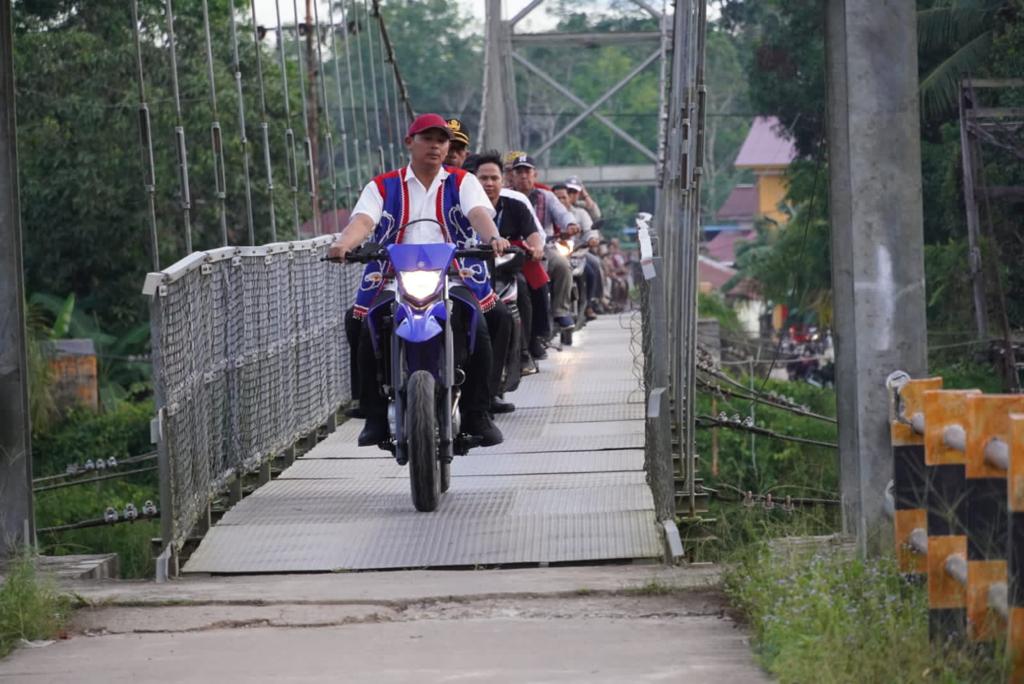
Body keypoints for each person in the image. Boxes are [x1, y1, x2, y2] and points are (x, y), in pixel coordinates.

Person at [327, 113, 510, 447]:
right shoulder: (383, 185)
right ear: (409, 142)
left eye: (442, 140)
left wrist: (494, 236)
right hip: (393, 277)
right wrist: (344, 244)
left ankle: (477, 413)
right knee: (361, 323)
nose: (436, 146)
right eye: (427, 138)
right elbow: (365, 220)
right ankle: (374, 414)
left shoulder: (462, 182)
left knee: (485, 322)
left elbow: (478, 214)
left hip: (454, 274)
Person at [470, 150, 547, 409]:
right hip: (466, 273)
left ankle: (526, 347)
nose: (489, 184)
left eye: (494, 178)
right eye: (483, 178)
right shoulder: (459, 203)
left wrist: (535, 247)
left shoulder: (515, 203)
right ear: (473, 179)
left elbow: (533, 233)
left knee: (521, 292)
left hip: (504, 268)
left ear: (504, 179)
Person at [508, 154, 580, 353]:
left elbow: (562, 213)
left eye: (527, 171)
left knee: (562, 265)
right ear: (511, 176)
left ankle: (559, 310)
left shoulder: (546, 196)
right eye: (519, 172)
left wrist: (570, 224)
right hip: (510, 248)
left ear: (535, 174)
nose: (523, 176)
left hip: (543, 246)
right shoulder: (505, 195)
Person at [554, 184, 603, 318]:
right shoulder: (548, 214)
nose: (561, 201)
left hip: (577, 253)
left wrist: (592, 239)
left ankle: (590, 304)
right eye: (557, 198)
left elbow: (590, 230)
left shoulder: (580, 213)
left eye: (564, 197)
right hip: (554, 254)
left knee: (592, 272)